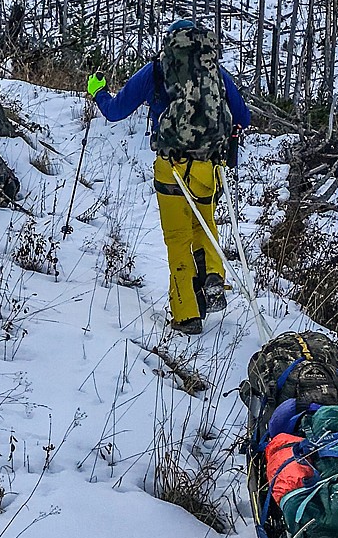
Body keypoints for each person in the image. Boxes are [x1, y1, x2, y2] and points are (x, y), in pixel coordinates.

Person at [88, 19, 250, 335]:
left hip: (172, 166)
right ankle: (213, 274)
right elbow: (243, 116)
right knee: (204, 224)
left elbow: (115, 111)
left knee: (178, 238)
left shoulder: (159, 70)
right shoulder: (213, 71)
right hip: (209, 166)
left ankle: (187, 315)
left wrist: (98, 92)